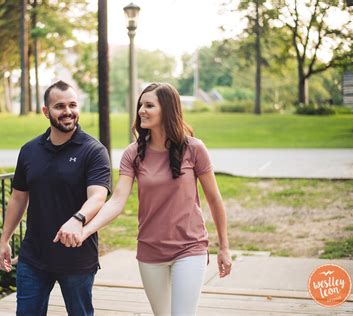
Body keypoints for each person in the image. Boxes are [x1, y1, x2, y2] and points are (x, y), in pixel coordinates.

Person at [65, 82, 232, 315]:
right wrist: (85, 229)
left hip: (190, 248)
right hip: (150, 250)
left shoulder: (194, 149)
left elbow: (214, 200)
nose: (141, 110)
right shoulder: (133, 153)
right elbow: (117, 201)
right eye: (141, 105)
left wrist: (223, 247)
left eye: (149, 105)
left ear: (167, 110)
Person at [0, 80, 111, 316]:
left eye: (72, 105)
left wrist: (78, 218)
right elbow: (18, 198)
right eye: (60, 106)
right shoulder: (29, 150)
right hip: (33, 257)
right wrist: (5, 239)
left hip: (77, 258)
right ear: (46, 112)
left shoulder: (93, 150)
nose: (68, 111)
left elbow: (98, 196)